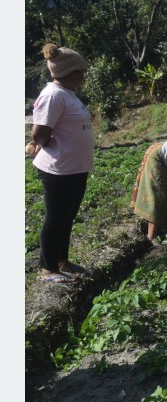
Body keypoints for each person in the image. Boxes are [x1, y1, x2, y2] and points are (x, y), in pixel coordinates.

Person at [29, 44, 92, 284]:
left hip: (75, 167)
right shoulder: (53, 95)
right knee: (56, 217)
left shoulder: (67, 93)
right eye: (82, 73)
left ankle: (62, 260)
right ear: (73, 73)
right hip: (58, 169)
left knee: (67, 216)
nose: (83, 78)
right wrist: (44, 143)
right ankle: (48, 268)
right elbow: (39, 133)